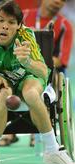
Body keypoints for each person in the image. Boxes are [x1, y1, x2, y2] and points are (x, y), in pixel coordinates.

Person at [0, 0, 75, 164]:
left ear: (19, 26)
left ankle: (52, 151)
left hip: (28, 76)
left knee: (31, 94)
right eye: (1, 20)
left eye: (11, 23)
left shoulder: (26, 37)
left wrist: (26, 62)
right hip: (2, 79)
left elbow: (44, 72)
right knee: (1, 95)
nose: (5, 26)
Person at [23, 0, 73, 146]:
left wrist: (36, 62)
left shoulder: (65, 25)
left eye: (62, 0)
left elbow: (61, 60)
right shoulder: (23, 17)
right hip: (19, 66)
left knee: (44, 89)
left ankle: (43, 127)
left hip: (49, 72)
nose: (58, 2)